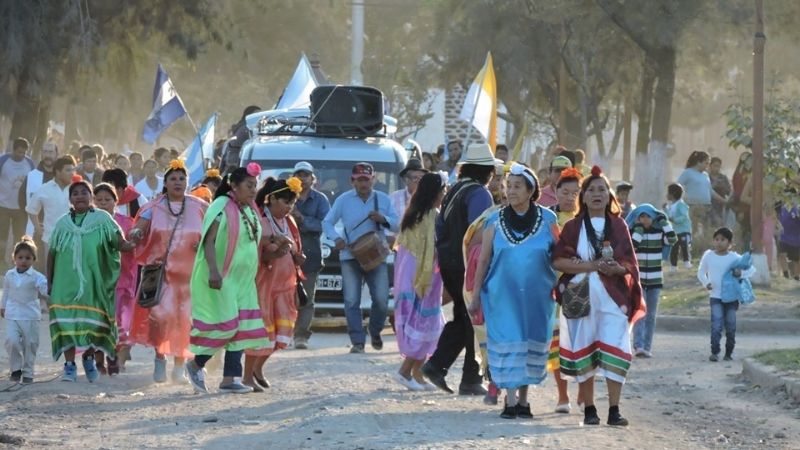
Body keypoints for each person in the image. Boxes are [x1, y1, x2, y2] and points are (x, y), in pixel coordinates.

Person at [552, 165, 644, 427]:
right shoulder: (572, 226)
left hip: (613, 297)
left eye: (601, 189)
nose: (596, 193)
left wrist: (616, 268)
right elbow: (558, 261)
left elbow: (630, 263)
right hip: (581, 295)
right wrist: (591, 266)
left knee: (617, 346)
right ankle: (589, 408)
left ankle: (614, 409)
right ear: (583, 196)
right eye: (591, 189)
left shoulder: (619, 226)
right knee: (586, 348)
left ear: (609, 195)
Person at [468, 164, 558, 419]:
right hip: (501, 295)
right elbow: (483, 260)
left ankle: (524, 401)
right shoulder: (493, 220)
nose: (512, 191)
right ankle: (509, 400)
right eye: (510, 186)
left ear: (531, 191)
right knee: (508, 341)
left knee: (529, 343)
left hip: (537, 297)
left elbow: (560, 255)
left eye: (518, 186)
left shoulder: (549, 220)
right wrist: (475, 295)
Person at [421, 143, 500, 395]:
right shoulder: (479, 193)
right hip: (467, 263)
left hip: (449, 262)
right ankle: (468, 378)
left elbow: (441, 228)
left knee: (464, 317)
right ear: (485, 171)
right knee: (472, 318)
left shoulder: (455, 189)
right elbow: (478, 230)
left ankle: (440, 366)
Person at [184, 164, 271, 394]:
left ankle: (229, 379)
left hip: (243, 281)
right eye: (249, 186)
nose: (253, 190)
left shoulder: (251, 209)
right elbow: (209, 241)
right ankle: (195, 365)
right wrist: (214, 271)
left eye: (255, 186)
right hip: (220, 278)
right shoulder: (221, 206)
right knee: (227, 326)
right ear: (234, 185)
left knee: (242, 328)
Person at [48, 176, 135, 382]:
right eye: (75, 193)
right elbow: (52, 253)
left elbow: (119, 243)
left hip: (93, 285)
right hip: (64, 285)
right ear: (70, 199)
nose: (80, 196)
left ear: (91, 197)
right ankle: (69, 366)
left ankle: (88, 358)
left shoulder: (103, 219)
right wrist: (50, 281)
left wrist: (136, 242)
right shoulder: (62, 224)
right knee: (65, 324)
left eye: (84, 192)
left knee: (92, 324)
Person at [129, 160, 208, 383]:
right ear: (165, 183)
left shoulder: (200, 206)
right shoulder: (154, 207)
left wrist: (203, 245)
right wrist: (135, 234)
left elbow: (215, 233)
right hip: (161, 275)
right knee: (160, 319)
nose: (178, 182)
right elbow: (139, 228)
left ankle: (180, 366)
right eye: (173, 179)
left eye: (182, 178)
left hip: (190, 276)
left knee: (185, 321)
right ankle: (159, 360)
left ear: (187, 182)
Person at [323, 162, 399, 353]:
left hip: (376, 256)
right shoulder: (343, 200)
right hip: (350, 255)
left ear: (373, 179)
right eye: (360, 180)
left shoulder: (383, 199)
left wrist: (384, 219)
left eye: (367, 179)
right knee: (351, 300)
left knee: (382, 299)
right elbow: (327, 222)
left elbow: (397, 225)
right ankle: (357, 341)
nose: (364, 183)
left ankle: (374, 331)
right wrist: (336, 239)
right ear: (352, 181)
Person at [242, 177, 304, 392]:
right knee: (261, 333)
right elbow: (256, 257)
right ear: (272, 199)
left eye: (292, 203)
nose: (288, 207)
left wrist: (298, 258)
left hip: (285, 287)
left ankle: (258, 369)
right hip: (264, 287)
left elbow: (296, 250)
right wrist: (276, 251)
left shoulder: (290, 222)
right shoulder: (261, 222)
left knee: (281, 334)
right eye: (285, 202)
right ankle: (247, 376)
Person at [392, 173, 447, 391]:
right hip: (422, 279)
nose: (444, 194)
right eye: (442, 191)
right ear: (435, 193)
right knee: (422, 323)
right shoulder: (430, 216)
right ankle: (405, 372)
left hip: (412, 277)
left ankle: (418, 373)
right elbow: (432, 250)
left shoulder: (414, 213)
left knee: (427, 324)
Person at [547, 167, 583, 413]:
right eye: (565, 192)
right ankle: (562, 396)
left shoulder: (589, 221)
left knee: (583, 343)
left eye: (575, 193)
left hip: (583, 288)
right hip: (552, 291)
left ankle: (583, 392)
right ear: (556, 192)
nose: (570, 197)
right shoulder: (546, 219)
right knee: (558, 346)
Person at [92, 184, 137, 375]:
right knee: (97, 321)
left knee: (117, 320)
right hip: (95, 281)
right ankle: (99, 361)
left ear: (115, 201)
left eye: (107, 200)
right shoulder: (87, 223)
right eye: (99, 200)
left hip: (120, 280)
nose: (103, 203)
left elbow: (134, 248)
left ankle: (115, 357)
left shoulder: (126, 222)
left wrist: (132, 243)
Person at [697, 227, 755, 361]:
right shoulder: (709, 256)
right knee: (716, 324)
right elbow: (701, 272)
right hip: (715, 296)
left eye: (723, 240)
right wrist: (706, 283)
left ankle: (729, 352)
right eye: (716, 239)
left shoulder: (734, 258)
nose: (719, 242)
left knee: (730, 325)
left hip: (731, 298)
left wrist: (740, 273)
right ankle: (715, 351)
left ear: (729, 242)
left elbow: (751, 270)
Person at [290, 162, 331, 349]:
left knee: (306, 298)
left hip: (311, 253)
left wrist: (302, 219)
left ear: (313, 179)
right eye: (299, 174)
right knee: (284, 295)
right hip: (287, 253)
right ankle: (282, 333)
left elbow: (325, 225)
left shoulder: (320, 199)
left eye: (306, 175)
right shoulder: (287, 196)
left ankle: (301, 336)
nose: (302, 178)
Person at [627, 204, 677, 358]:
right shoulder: (635, 232)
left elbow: (672, 239)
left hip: (655, 279)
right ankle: (638, 346)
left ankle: (647, 346)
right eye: (642, 216)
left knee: (651, 314)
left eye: (648, 216)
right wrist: (639, 231)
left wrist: (664, 223)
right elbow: (632, 247)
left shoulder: (659, 232)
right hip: (639, 280)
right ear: (637, 218)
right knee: (639, 312)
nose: (645, 219)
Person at [2, 237, 49, 383]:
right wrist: (2, 306)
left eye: (28, 258)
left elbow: (46, 289)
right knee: (12, 341)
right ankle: (15, 369)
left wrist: (48, 290)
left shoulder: (37, 277)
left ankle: (28, 372)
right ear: (14, 258)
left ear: (33, 260)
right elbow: (7, 292)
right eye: (20, 257)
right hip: (12, 314)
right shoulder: (9, 275)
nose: (23, 261)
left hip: (30, 316)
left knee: (30, 344)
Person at [26, 156, 76, 255]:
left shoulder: (77, 189)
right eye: (68, 170)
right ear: (58, 172)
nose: (72, 173)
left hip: (73, 239)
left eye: (73, 170)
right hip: (50, 238)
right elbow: (31, 210)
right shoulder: (44, 189)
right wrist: (38, 228)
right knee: (51, 269)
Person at [0, 138, 35, 259]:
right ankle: (1, 260)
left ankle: (15, 260)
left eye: (24, 153)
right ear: (13, 150)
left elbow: (33, 184)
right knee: (2, 235)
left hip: (21, 207)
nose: (21, 155)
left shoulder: (29, 164)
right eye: (19, 152)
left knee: (19, 236)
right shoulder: (3, 161)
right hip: (3, 205)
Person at [677, 151, 712, 246]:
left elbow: (710, 190)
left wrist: (724, 200)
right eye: (706, 163)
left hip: (706, 206)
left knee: (705, 228)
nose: (707, 166)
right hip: (692, 206)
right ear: (698, 162)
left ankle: (701, 247)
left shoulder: (705, 175)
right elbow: (677, 186)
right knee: (693, 228)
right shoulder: (687, 173)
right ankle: (687, 248)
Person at [666, 183, 692, 269]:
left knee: (685, 246)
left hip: (684, 230)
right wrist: (665, 210)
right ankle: (673, 265)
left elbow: (684, 216)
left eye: (668, 193)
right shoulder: (670, 206)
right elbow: (669, 216)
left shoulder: (681, 204)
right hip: (675, 231)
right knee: (674, 248)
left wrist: (675, 220)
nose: (666, 195)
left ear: (672, 194)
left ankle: (687, 262)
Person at [778, 203, 800, 281]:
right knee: (782, 255)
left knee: (796, 260)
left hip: (795, 239)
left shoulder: (797, 208)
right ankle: (785, 275)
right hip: (784, 236)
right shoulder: (782, 208)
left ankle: (796, 277)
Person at [708, 157, 731, 228]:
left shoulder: (723, 177)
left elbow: (729, 191)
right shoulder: (706, 177)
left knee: (720, 224)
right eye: (715, 166)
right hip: (709, 205)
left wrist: (723, 186)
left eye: (718, 166)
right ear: (710, 166)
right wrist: (714, 185)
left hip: (721, 205)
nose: (717, 168)